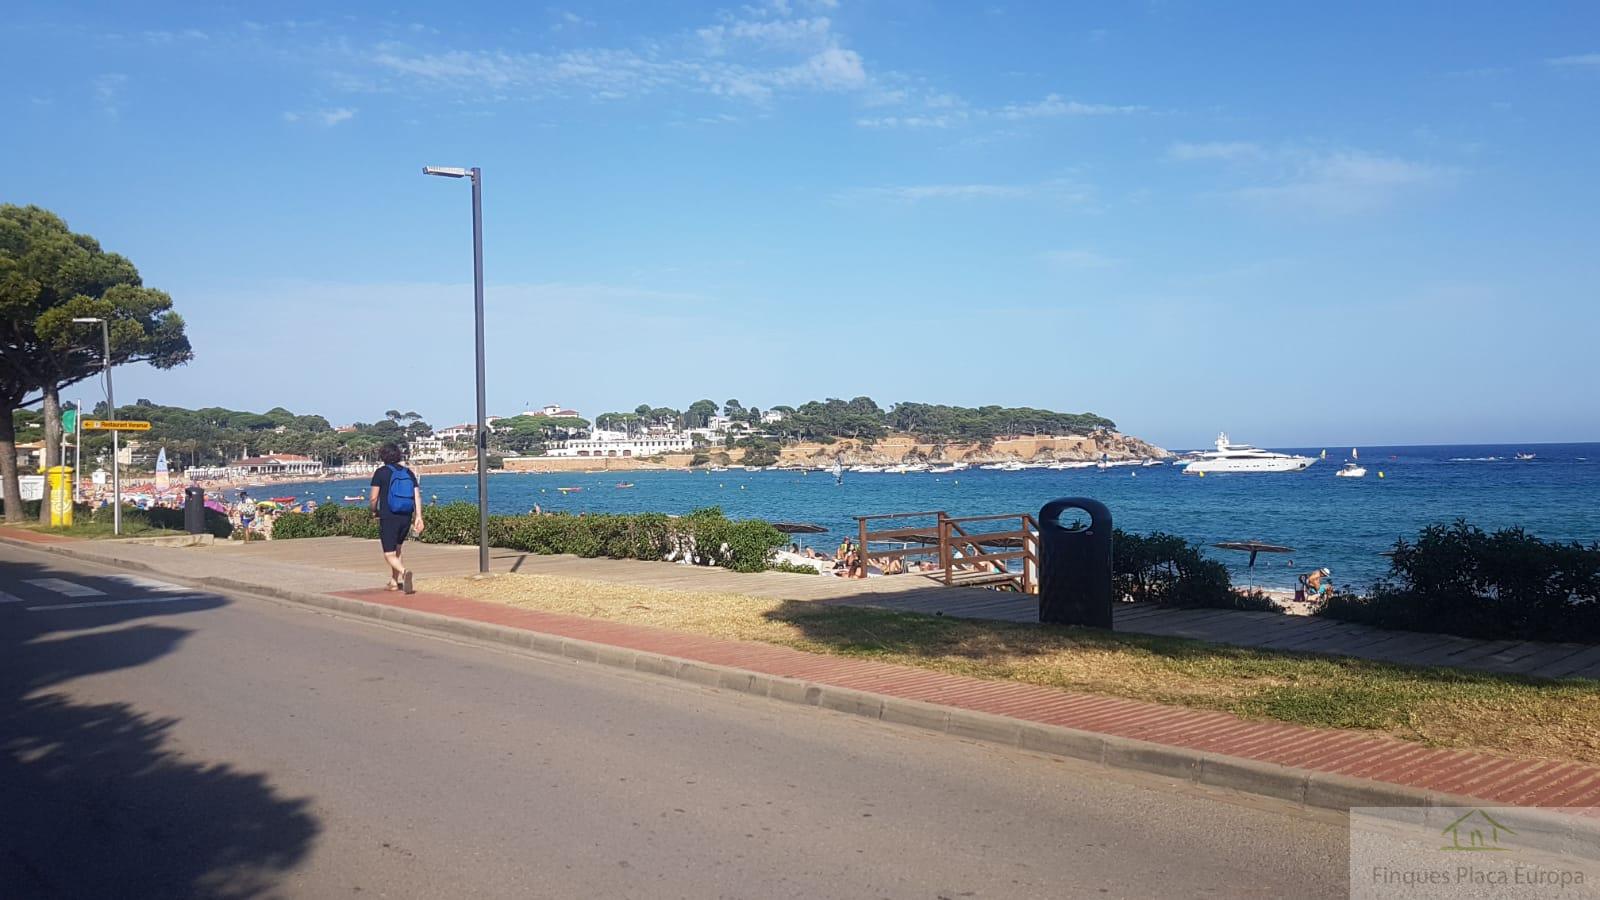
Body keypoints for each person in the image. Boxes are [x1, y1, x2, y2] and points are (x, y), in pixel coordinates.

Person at [369, 442, 425, 593]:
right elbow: (417, 496)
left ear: (383, 456)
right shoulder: (408, 472)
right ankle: (394, 582)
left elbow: (374, 498)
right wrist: (418, 517)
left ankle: (404, 572)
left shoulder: (380, 472)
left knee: (389, 553)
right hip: (405, 515)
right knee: (397, 549)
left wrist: (374, 511)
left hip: (389, 515)